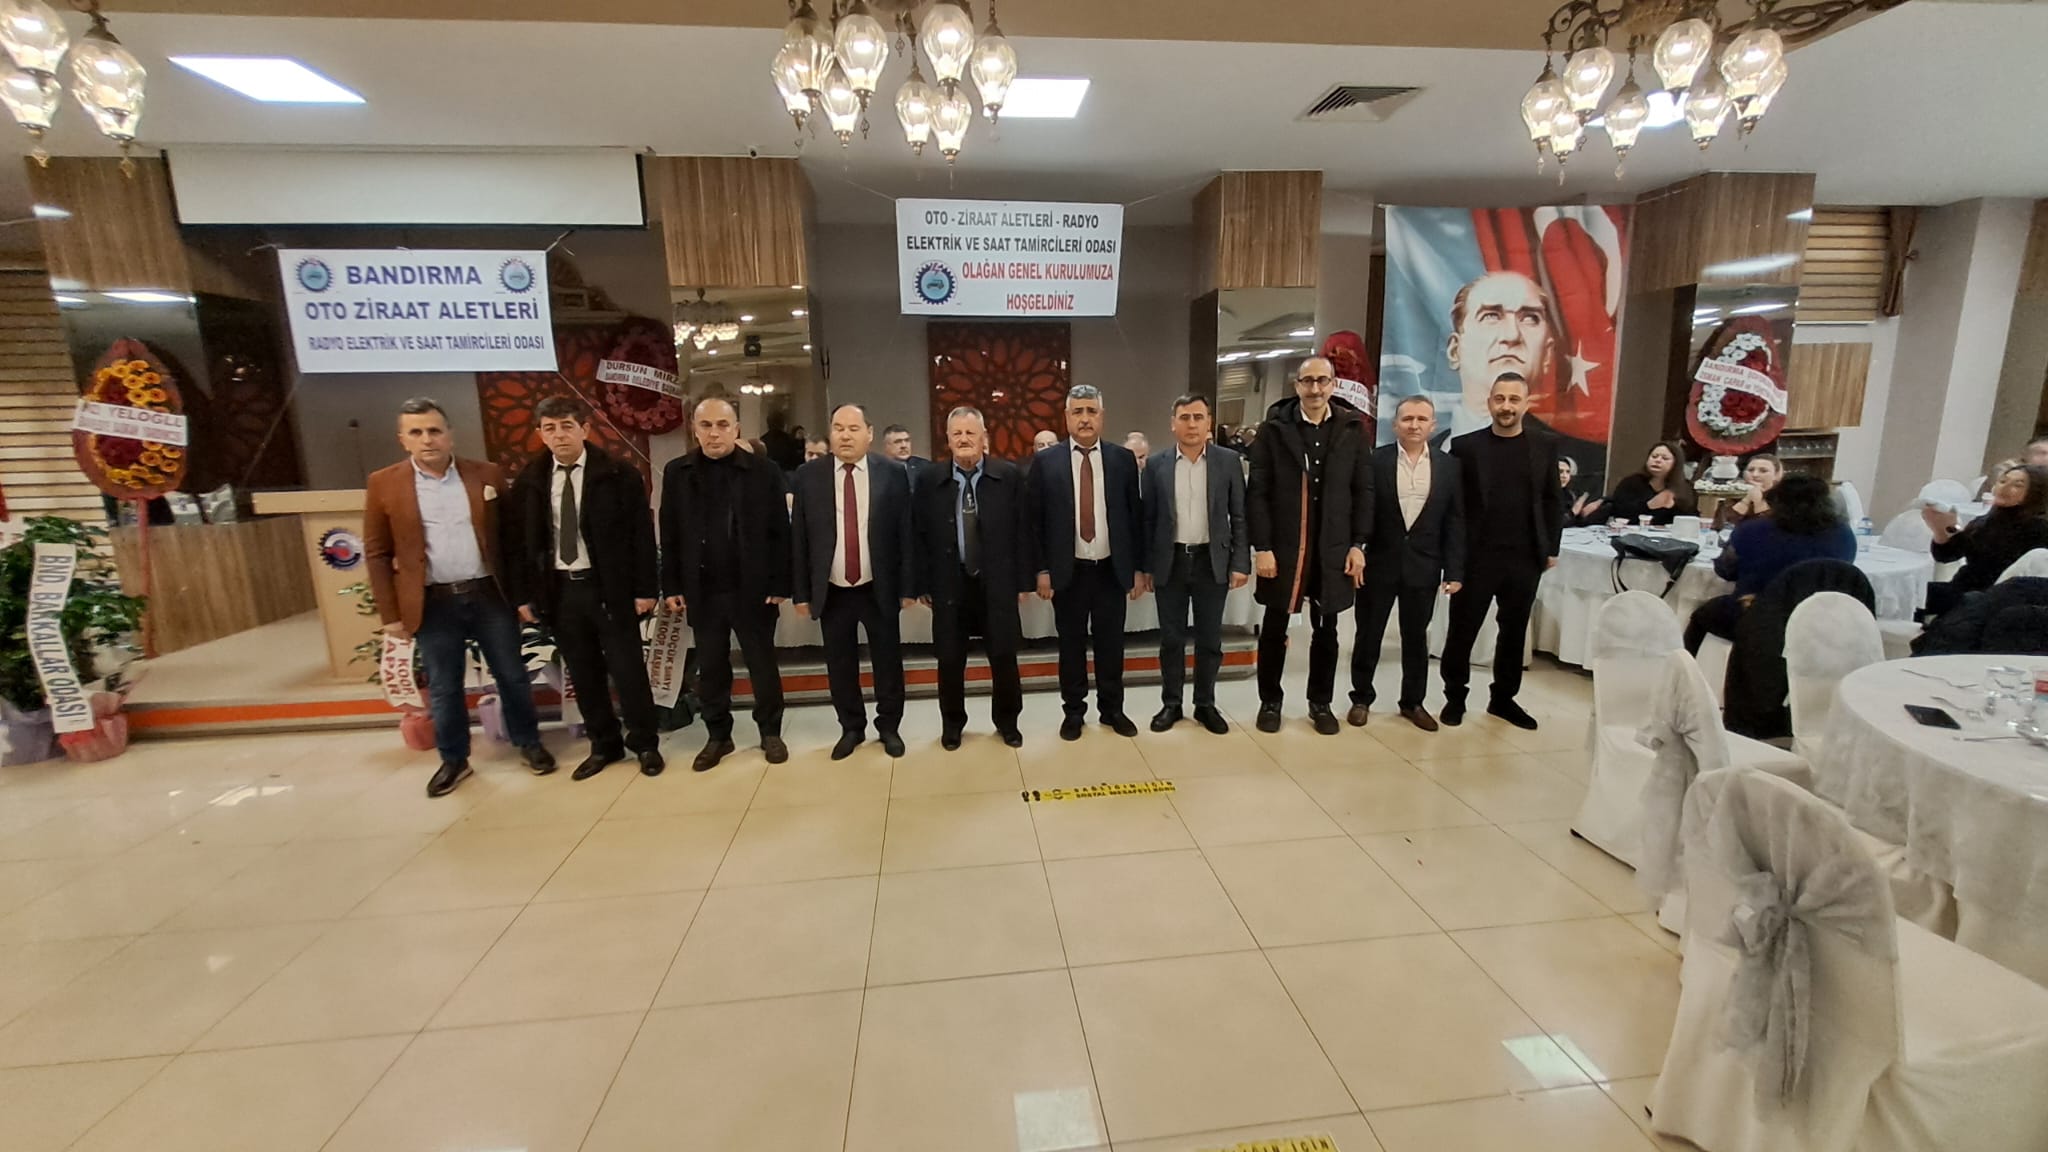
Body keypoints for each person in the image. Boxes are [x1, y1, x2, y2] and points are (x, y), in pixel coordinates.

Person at [363, 398, 554, 797]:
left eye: (434, 430)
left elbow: (512, 541)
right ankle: (454, 759)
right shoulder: (384, 483)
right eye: (416, 432)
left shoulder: (486, 475)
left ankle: (528, 743)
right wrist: (391, 616)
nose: (427, 439)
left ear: (449, 435)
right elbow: (378, 553)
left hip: (488, 594)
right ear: (403, 440)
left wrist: (522, 595)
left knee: (512, 674)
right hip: (432, 601)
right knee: (445, 685)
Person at [507, 397, 663, 779]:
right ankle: (604, 744)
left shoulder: (618, 474)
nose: (559, 435)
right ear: (541, 434)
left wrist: (646, 589)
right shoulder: (531, 480)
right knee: (584, 673)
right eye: (550, 428)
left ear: (584, 429)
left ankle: (645, 743)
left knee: (628, 671)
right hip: (561, 591)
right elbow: (520, 544)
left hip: (610, 588)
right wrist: (524, 596)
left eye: (566, 426)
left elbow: (641, 536)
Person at [660, 397, 790, 772]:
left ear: (736, 429)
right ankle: (718, 735)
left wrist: (780, 582)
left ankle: (770, 731)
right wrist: (672, 585)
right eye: (706, 425)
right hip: (703, 591)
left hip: (753, 588)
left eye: (722, 425)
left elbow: (780, 532)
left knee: (762, 665)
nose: (714, 433)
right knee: (712, 668)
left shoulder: (764, 471)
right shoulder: (678, 472)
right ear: (694, 429)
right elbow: (669, 532)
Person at [1247, 356, 1372, 736]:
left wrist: (1358, 544)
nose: (1315, 388)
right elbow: (1258, 493)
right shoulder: (1273, 429)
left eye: (1322, 381)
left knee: (1327, 629)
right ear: (1296, 385)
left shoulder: (1352, 429)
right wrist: (1262, 546)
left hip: (1331, 547)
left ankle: (1320, 703)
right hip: (1285, 547)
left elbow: (1363, 491)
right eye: (1308, 381)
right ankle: (1270, 701)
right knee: (1274, 627)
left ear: (1333, 385)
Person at [1440, 373, 1563, 731]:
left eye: (1513, 399)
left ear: (1526, 404)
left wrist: (1551, 548)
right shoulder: (1465, 447)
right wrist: (1454, 558)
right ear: (1490, 402)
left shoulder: (1544, 445)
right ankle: (1455, 697)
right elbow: (1455, 508)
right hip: (1477, 557)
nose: (1506, 406)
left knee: (1513, 631)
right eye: (1500, 399)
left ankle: (1503, 699)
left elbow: (1553, 499)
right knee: (1462, 631)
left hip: (1525, 556)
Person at [792, 403, 915, 759]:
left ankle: (889, 727)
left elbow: (905, 533)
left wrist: (908, 586)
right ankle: (851, 727)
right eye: (838, 428)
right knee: (840, 664)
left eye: (853, 428)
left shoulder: (892, 473)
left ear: (869, 434)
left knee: (887, 662)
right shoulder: (809, 475)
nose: (845, 435)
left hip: (878, 585)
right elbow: (799, 537)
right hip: (832, 589)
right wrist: (801, 592)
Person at [1027, 384, 1145, 740]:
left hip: (1111, 570)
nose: (1085, 418)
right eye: (1077, 411)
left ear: (1102, 417)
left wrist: (1138, 568)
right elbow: (1034, 521)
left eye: (1091, 411)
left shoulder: (1122, 460)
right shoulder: (1046, 462)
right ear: (1066, 418)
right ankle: (1074, 712)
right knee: (1071, 647)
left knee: (1111, 646)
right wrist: (1041, 569)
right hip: (1068, 572)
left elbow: (1134, 517)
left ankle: (1112, 710)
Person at [913, 406, 1033, 749]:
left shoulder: (1008, 476)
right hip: (948, 584)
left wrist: (1023, 581)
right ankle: (952, 724)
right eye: (957, 433)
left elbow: (1023, 530)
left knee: (1004, 656)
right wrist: (922, 583)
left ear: (984, 438)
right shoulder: (929, 480)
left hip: (997, 583)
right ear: (948, 439)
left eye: (970, 433)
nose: (964, 439)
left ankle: (1008, 722)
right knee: (950, 659)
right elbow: (917, 534)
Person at [1349, 395, 1464, 731]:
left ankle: (1413, 702)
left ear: (1433, 425)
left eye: (1421, 419)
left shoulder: (1449, 466)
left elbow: (1455, 520)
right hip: (1378, 564)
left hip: (1424, 566)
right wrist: (1356, 548)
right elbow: (1361, 510)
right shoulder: (1375, 461)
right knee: (1368, 635)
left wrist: (1454, 570)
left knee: (1416, 638)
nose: (1414, 425)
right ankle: (1361, 698)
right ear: (1395, 424)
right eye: (1408, 419)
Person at [1142, 394, 1249, 735]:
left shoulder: (1227, 461)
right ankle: (1171, 703)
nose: (1191, 424)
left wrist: (1241, 562)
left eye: (1198, 417)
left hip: (1211, 561)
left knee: (1209, 640)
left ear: (1208, 423)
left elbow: (1239, 515)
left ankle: (1205, 704)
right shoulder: (1156, 465)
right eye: (1185, 417)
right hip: (1170, 561)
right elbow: (1148, 520)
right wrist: (1147, 566)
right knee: (1171, 639)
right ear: (1173, 423)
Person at [1430, 270, 1603, 478]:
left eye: (1530, 318)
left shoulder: (1589, 462)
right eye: (1491, 316)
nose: (1511, 335)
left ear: (1547, 355)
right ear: (1455, 351)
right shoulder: (1420, 456)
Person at [1684, 472, 1856, 652]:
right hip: (1820, 618)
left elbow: (1726, 570)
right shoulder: (1844, 534)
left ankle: (1688, 663)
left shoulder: (1753, 529)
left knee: (1701, 615)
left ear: (1778, 500)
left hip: (1759, 614)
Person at [1922, 463, 2048, 618]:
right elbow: (1947, 555)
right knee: (1916, 594)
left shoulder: (2038, 528)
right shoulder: (1988, 519)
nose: (2005, 487)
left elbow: (1992, 560)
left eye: (2017, 485)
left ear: (2035, 493)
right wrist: (1941, 529)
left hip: (1990, 599)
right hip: (1963, 590)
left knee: (1917, 597)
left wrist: (1953, 529)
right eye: (2003, 481)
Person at [1575, 440, 1696, 526]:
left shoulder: (1684, 488)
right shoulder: (1632, 482)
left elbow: (1691, 518)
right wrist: (1649, 505)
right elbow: (1619, 511)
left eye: (1665, 458)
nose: (1658, 460)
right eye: (1654, 456)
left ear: (1675, 464)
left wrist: (1675, 506)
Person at [1711, 453, 1783, 530]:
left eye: (1763, 471)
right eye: (1750, 470)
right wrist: (1746, 500)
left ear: (1776, 475)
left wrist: (1758, 501)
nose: (1755, 474)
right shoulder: (1733, 495)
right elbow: (1721, 527)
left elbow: (1769, 529)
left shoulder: (1782, 499)